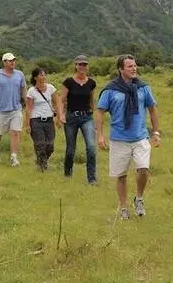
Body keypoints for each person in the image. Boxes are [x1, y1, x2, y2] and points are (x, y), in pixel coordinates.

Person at [95, 54, 161, 219]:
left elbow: (152, 110)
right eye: (130, 66)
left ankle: (138, 198)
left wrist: (156, 132)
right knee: (121, 175)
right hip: (119, 138)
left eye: (135, 65)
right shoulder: (111, 90)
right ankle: (123, 208)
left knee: (143, 169)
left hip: (140, 137)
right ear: (121, 69)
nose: (134, 69)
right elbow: (100, 112)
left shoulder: (143, 87)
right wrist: (100, 135)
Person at [59, 55, 98, 185]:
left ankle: (91, 178)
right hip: (71, 117)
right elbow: (62, 100)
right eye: (80, 64)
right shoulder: (68, 82)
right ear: (76, 65)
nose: (82, 67)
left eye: (85, 64)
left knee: (91, 147)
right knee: (71, 149)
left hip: (86, 117)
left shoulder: (91, 83)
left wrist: (96, 120)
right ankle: (68, 173)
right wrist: (61, 114)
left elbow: (92, 101)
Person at [0, 52, 27, 167]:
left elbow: (23, 89)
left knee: (15, 133)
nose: (13, 62)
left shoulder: (20, 75)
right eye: (10, 60)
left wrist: (27, 103)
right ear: (4, 62)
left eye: (14, 60)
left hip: (16, 109)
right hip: (1, 111)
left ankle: (13, 157)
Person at [25, 68, 63, 172]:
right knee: (40, 144)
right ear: (35, 77)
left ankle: (41, 161)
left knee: (50, 146)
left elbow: (57, 103)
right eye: (41, 75)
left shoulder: (51, 88)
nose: (43, 77)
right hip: (36, 120)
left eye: (44, 75)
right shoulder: (31, 91)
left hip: (49, 120)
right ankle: (42, 167)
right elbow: (28, 108)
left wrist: (59, 117)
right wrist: (27, 124)